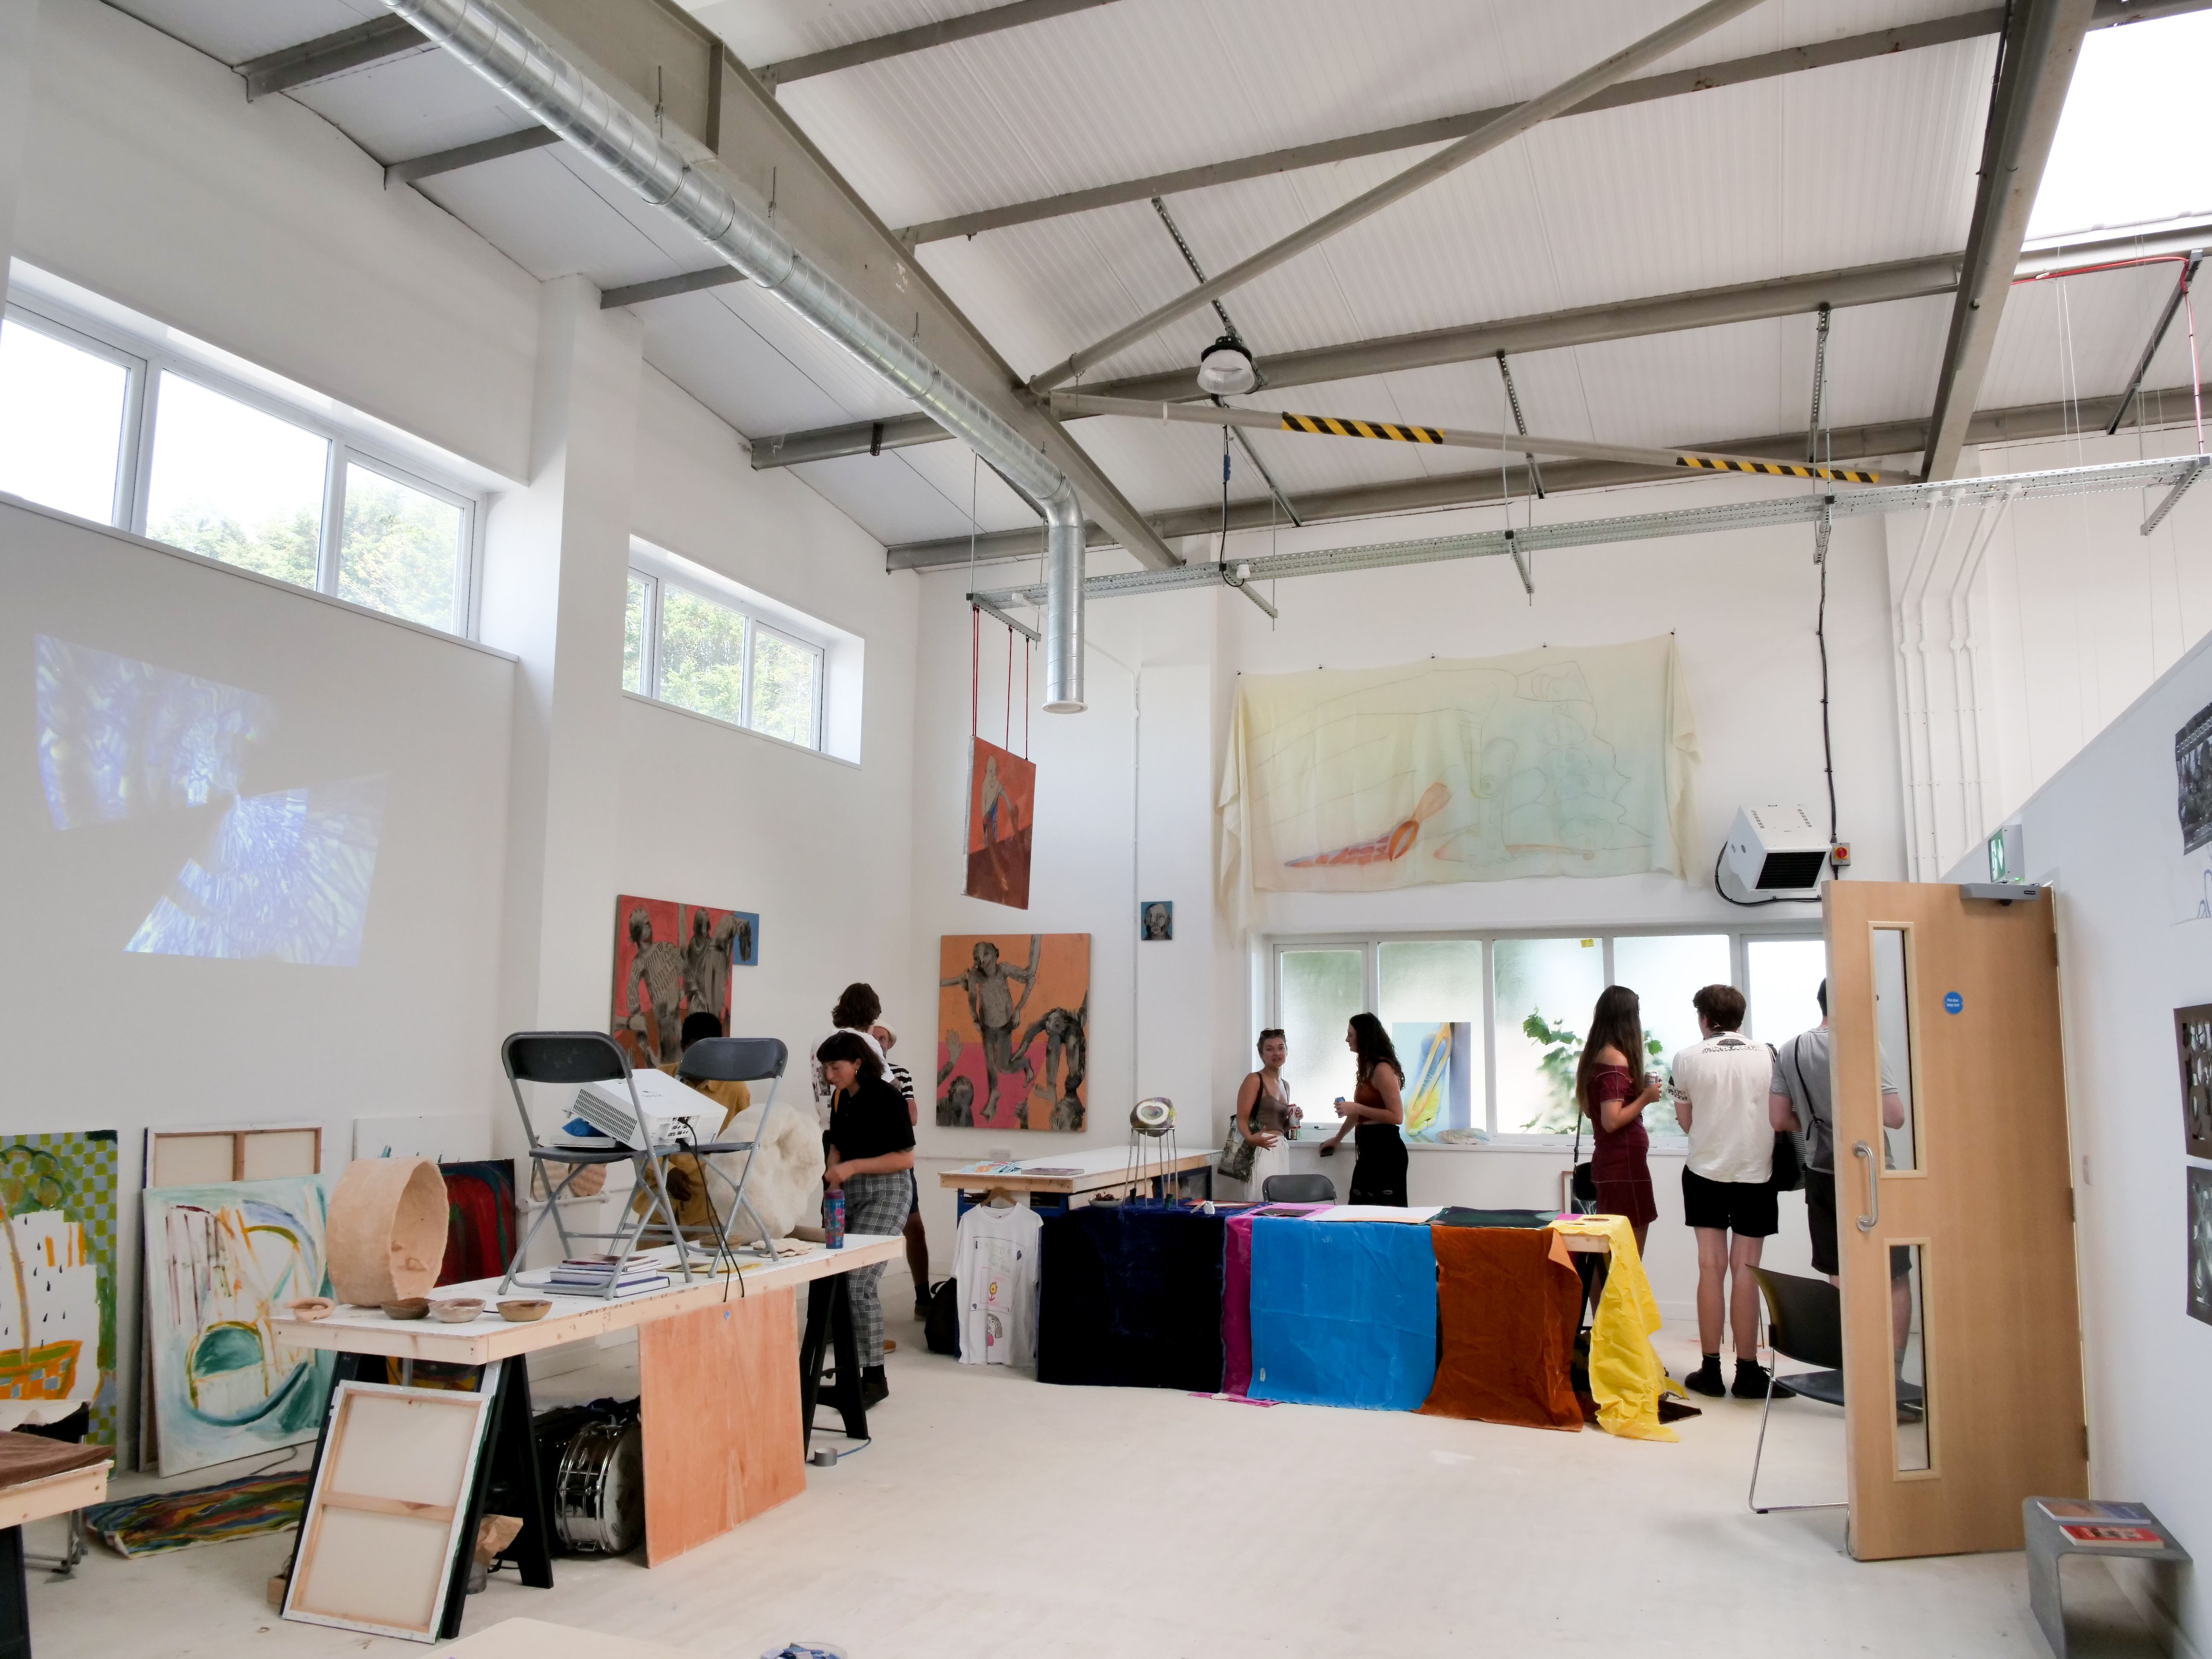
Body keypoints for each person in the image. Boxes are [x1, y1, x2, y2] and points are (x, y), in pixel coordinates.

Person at [1769, 979, 1914, 1360]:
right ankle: (1892, 1379)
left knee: (1839, 1273)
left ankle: (1850, 1368)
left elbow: (1780, 1119)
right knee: (1894, 1273)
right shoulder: (1864, 1046)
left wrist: (1821, 1124)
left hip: (1821, 1172)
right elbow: (1895, 1116)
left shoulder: (1791, 1049)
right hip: (1871, 1173)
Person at [1671, 984, 1788, 1400]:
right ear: (1740, 1017)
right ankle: (1749, 1372)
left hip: (1704, 1171)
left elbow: (1686, 1122)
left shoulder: (1685, 1059)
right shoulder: (1769, 1055)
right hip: (1756, 1171)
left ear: (1704, 1017)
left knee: (1710, 1267)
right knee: (1746, 1271)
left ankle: (1709, 1370)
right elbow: (1781, 1115)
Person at [818, 1031, 914, 1407]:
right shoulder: (842, 1098)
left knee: (860, 1282)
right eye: (825, 1067)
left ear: (857, 1063)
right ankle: (847, 1377)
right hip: (848, 1193)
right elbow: (837, 1144)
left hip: (888, 1192)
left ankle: (873, 1378)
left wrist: (852, 1167)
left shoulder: (886, 1096)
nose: (829, 1075)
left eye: (835, 1066)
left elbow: (905, 1158)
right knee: (837, 1284)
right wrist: (833, 1172)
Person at [1574, 986, 1662, 1254]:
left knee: (1610, 1246)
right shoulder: (1615, 1059)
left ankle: (1604, 1298)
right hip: (1624, 1166)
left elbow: (1596, 1113)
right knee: (1627, 1252)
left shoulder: (1595, 1057)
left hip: (1613, 1163)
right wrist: (1646, 1097)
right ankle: (1619, 1298)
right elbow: (1611, 1121)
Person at [872, 1019, 934, 1319]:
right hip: (869, 1161)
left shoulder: (900, 1074)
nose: (879, 1043)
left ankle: (923, 1298)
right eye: (875, 1038)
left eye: (884, 1039)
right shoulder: (855, 1073)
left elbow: (912, 1117)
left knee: (915, 1227)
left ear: (890, 1044)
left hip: (898, 1161)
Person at [940, 938, 1039, 1126]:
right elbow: (972, 998)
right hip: (987, 1027)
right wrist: (975, 1019)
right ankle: (994, 1093)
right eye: (978, 956)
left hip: (1004, 1028)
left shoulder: (1004, 969)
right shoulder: (976, 974)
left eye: (986, 954)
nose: (982, 959)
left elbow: (1030, 978)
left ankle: (1025, 1063)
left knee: (1004, 1067)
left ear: (995, 954)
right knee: (990, 1064)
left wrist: (1018, 1009)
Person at [1323, 1014, 1407, 1206]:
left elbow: (1397, 1116)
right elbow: (1357, 1114)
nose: (1347, 1040)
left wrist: (1357, 1107)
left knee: (1385, 1212)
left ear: (1364, 1037)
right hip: (1369, 1150)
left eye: (1351, 1035)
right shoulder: (1367, 1068)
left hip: (1386, 1150)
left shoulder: (1383, 1069)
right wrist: (1338, 1139)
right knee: (1359, 1206)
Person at [810, 983, 890, 1126]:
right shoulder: (866, 1042)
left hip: (826, 1128)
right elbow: (887, 1088)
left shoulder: (818, 1042)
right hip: (858, 1127)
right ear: (872, 1016)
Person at [1231, 1029, 1295, 1199]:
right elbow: (1241, 1119)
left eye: (1281, 1048)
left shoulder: (1286, 1085)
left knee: (1281, 1201)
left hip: (1281, 1147)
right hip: (1261, 1147)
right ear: (1261, 1055)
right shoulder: (1254, 1079)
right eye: (1270, 1049)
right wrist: (1252, 1139)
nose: (1277, 1053)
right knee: (1261, 1198)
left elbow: (1280, 1126)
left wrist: (1294, 1119)